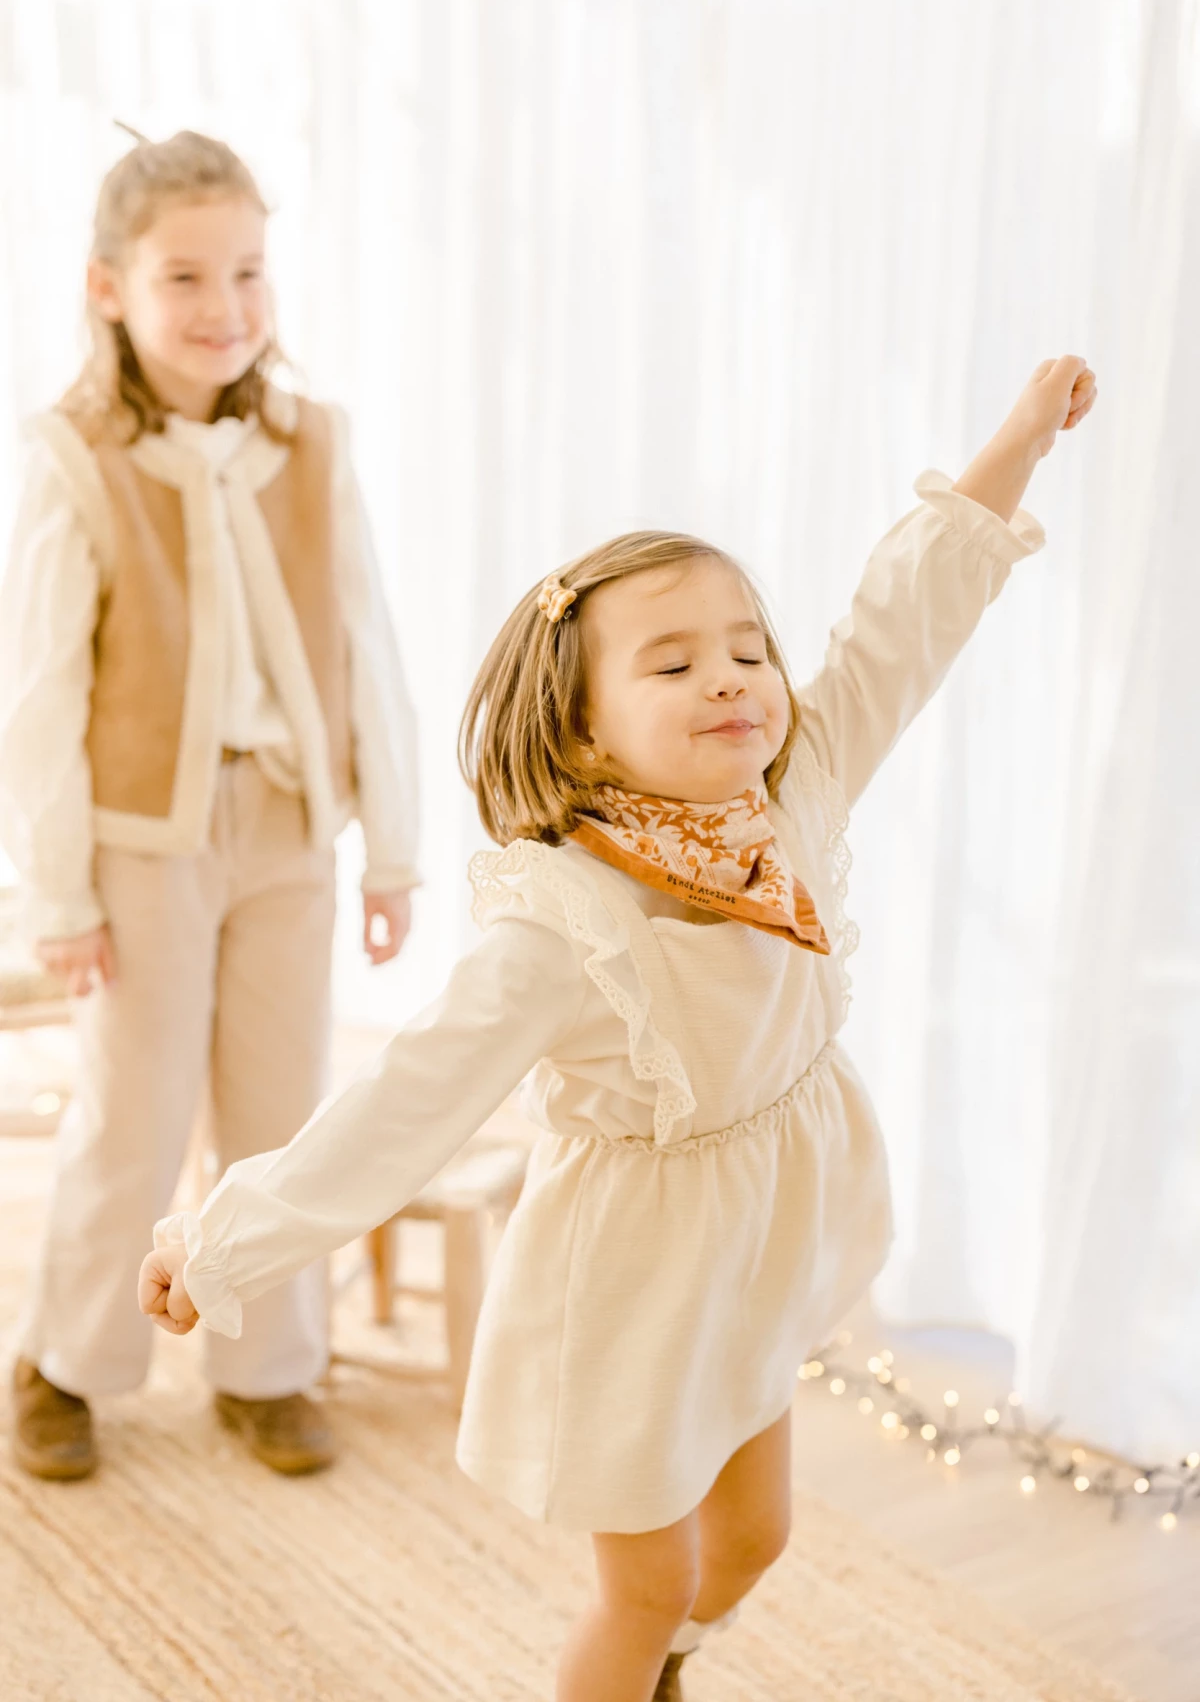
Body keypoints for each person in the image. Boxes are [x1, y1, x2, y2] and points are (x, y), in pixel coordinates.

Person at [138, 357, 1095, 1701]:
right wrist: (220, 1240)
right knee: (642, 1591)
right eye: (675, 661)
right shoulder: (563, 924)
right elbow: (403, 1108)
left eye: (748, 648)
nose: (734, 680)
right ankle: (632, 1667)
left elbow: (904, 622)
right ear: (583, 725)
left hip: (759, 1239)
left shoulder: (793, 797)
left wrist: (1018, 442)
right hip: (635, 1281)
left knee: (753, 1544)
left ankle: (659, 1670)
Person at [1, 128, 419, 1483]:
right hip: (142, 849)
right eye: (186, 275)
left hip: (291, 833)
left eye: (248, 270)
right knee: (134, 1108)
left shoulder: (313, 444)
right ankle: (68, 1361)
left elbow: (369, 642)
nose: (225, 306)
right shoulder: (76, 458)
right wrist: (62, 895)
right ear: (110, 287)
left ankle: (268, 1364)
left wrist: (392, 848)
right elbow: (42, 695)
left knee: (283, 1114)